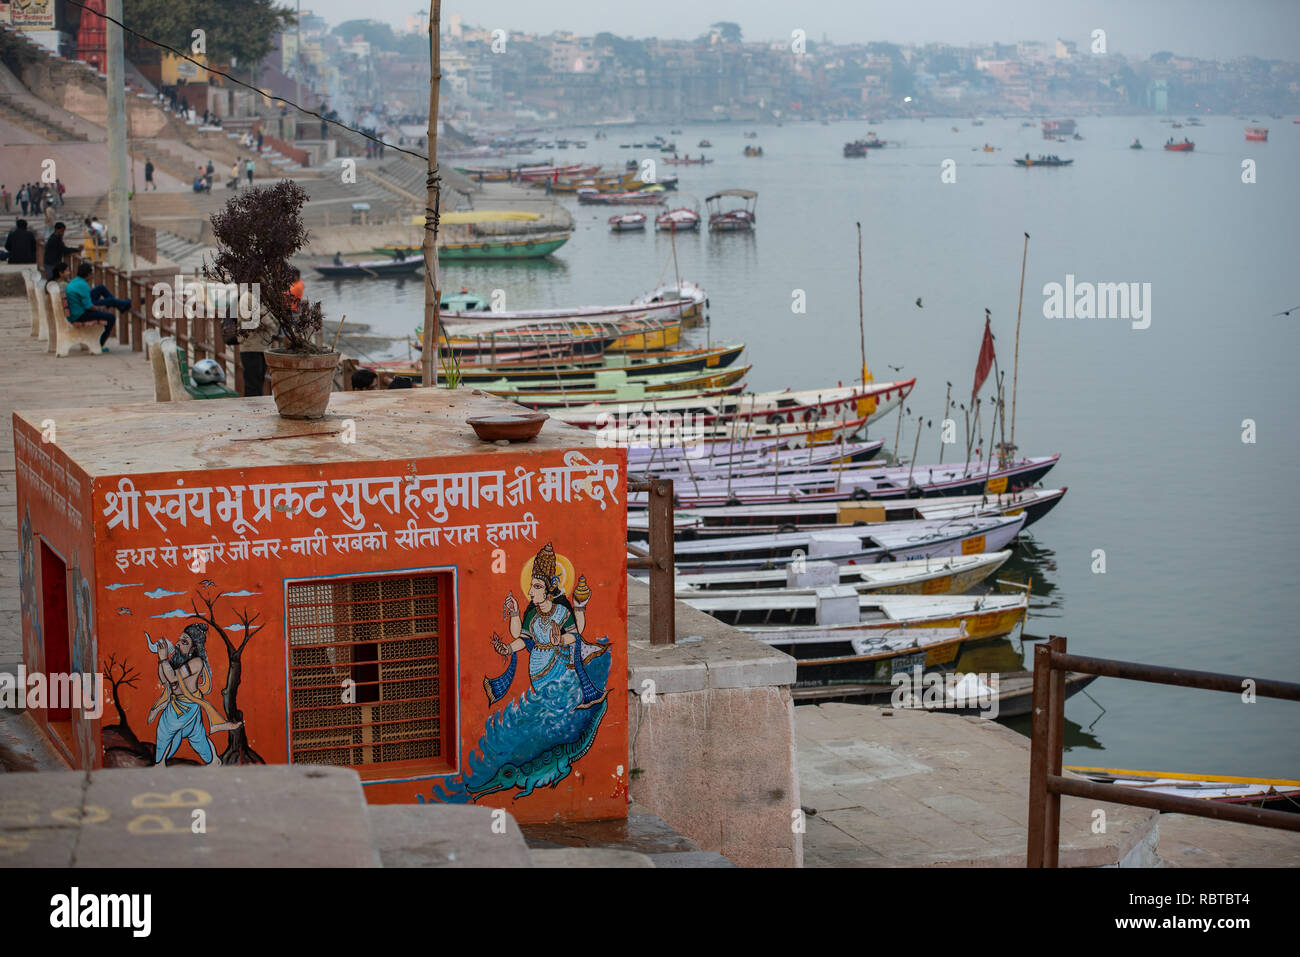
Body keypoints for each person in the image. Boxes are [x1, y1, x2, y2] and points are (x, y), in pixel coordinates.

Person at [64, 261, 131, 350]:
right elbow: (88, 306)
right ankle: (100, 343)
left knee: (101, 289)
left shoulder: (76, 281)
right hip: (80, 313)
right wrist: (100, 308)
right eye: (91, 274)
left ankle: (120, 304)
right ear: (88, 275)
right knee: (111, 317)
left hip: (78, 307)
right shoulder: (83, 285)